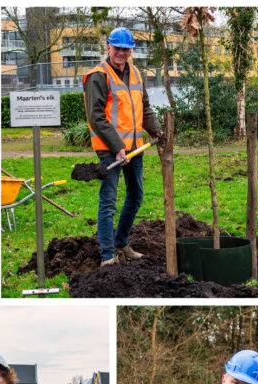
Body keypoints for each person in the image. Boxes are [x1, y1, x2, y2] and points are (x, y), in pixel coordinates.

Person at [83, 27, 164, 267]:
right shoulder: (98, 76)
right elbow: (96, 117)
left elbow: (145, 108)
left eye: (126, 49)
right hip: (109, 149)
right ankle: (107, 255)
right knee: (108, 200)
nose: (121, 53)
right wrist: (117, 147)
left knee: (136, 194)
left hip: (135, 147)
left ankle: (121, 242)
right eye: (117, 48)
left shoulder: (137, 74)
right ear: (108, 48)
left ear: (130, 51)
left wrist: (156, 129)